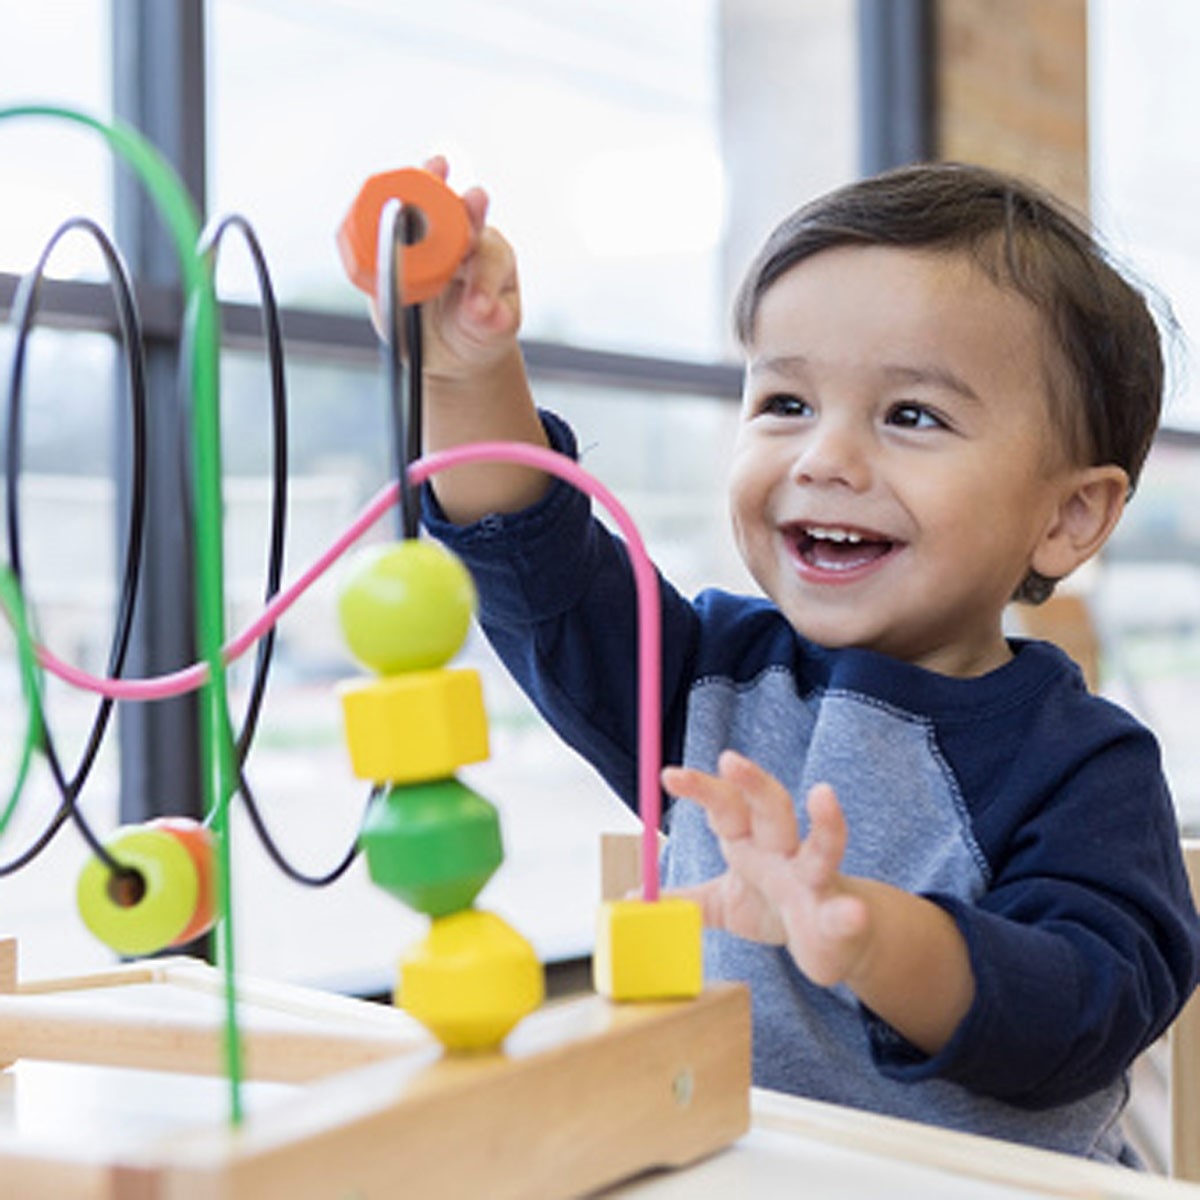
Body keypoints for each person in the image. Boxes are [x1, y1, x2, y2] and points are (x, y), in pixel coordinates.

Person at [410, 157, 1200, 1162]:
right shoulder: (708, 676)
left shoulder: (1083, 764)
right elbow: (535, 560)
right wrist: (466, 371)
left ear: (1068, 516)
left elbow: (1083, 1010)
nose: (824, 458)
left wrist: (865, 934)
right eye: (785, 402)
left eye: (912, 415)